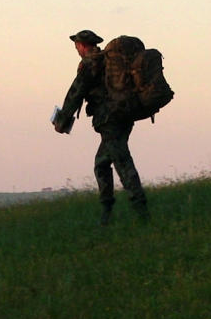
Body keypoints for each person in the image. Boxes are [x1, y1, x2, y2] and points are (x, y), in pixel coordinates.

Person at [53, 30, 150, 225]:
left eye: (77, 47)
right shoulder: (106, 60)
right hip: (124, 115)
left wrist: (62, 120)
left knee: (122, 162)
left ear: (82, 45)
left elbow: (76, 92)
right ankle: (107, 212)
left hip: (109, 119)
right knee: (101, 163)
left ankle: (142, 213)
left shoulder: (91, 63)